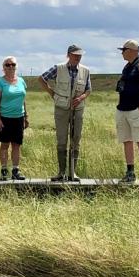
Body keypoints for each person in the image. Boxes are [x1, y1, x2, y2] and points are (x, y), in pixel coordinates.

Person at [39, 44, 91, 181]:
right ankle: (61, 173)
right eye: (75, 55)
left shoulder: (85, 71)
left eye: (79, 55)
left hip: (78, 109)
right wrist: (53, 94)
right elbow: (41, 79)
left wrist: (81, 98)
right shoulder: (58, 68)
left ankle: (72, 173)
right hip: (61, 109)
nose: (78, 58)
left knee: (76, 139)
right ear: (68, 55)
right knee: (61, 140)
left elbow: (88, 89)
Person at [115, 40, 139, 183]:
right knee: (126, 140)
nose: (122, 52)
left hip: (136, 110)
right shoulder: (127, 67)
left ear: (131, 50)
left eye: (124, 50)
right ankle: (130, 172)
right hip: (122, 109)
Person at [0, 57, 28, 181]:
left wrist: (26, 116)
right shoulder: (0, 83)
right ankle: (3, 170)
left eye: (13, 64)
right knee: (5, 144)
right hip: (5, 117)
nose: (10, 67)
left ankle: (15, 170)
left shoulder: (21, 81)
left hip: (19, 117)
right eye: (7, 65)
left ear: (16, 66)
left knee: (17, 145)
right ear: (3, 68)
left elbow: (23, 100)